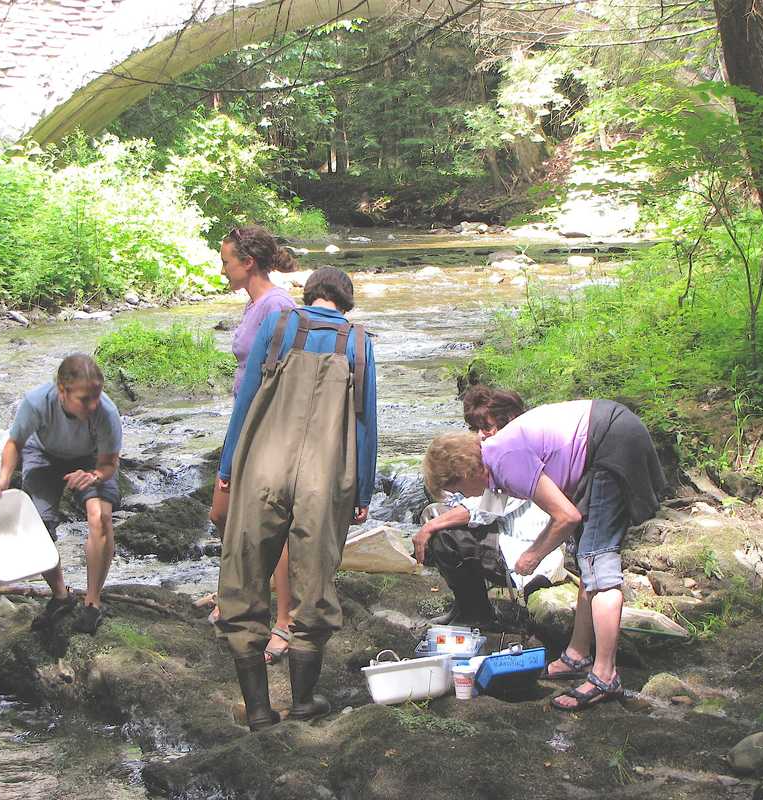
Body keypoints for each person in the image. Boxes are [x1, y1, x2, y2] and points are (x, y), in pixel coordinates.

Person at [422, 398, 665, 711]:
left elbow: (566, 516)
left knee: (598, 562)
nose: (461, 495)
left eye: (456, 489)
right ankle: (577, 655)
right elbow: (490, 512)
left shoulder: (505, 459)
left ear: (464, 472)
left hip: (613, 441)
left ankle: (606, 676)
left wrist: (533, 555)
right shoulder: (495, 458)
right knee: (586, 560)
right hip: (604, 441)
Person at [216, 267, 378, 731]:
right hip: (326, 475)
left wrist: (229, 466)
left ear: (309, 294)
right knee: (315, 581)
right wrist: (363, 487)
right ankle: (304, 702)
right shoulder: (358, 341)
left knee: (245, 576)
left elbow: (246, 398)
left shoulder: (279, 324)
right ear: (346, 301)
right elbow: (366, 422)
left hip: (264, 463)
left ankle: (260, 711)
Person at [207, 224, 299, 665]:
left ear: (248, 263)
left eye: (226, 261)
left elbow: (281, 375)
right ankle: (243, 593)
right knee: (222, 515)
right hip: (242, 425)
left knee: (268, 525)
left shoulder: (278, 307)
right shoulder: (254, 305)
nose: (222, 269)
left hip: (264, 429)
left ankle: (284, 617)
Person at [0, 353, 122, 635]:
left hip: (91, 459)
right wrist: (3, 480)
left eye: (97, 396)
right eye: (85, 399)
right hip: (43, 455)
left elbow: (109, 463)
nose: (93, 404)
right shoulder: (37, 403)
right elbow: (15, 443)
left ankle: (93, 602)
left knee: (100, 518)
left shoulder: (106, 413)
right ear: (62, 390)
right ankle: (61, 595)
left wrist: (93, 476)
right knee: (38, 528)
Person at [412, 386, 563, 627]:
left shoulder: (519, 455)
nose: (481, 436)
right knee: (435, 514)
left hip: (525, 549)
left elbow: (485, 508)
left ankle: (476, 613)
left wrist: (430, 527)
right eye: (475, 429)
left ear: (510, 421)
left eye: (487, 428)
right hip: (503, 536)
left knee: (443, 534)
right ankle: (467, 605)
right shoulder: (501, 451)